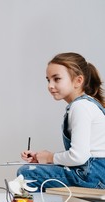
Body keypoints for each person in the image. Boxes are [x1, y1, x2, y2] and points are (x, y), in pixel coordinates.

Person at [18, 52, 105, 190]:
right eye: (48, 80)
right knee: (34, 169)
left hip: (94, 175)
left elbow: (78, 157)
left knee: (27, 173)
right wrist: (43, 158)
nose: (50, 85)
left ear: (78, 81)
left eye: (56, 79)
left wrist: (50, 158)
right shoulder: (86, 104)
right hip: (95, 172)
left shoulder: (80, 107)